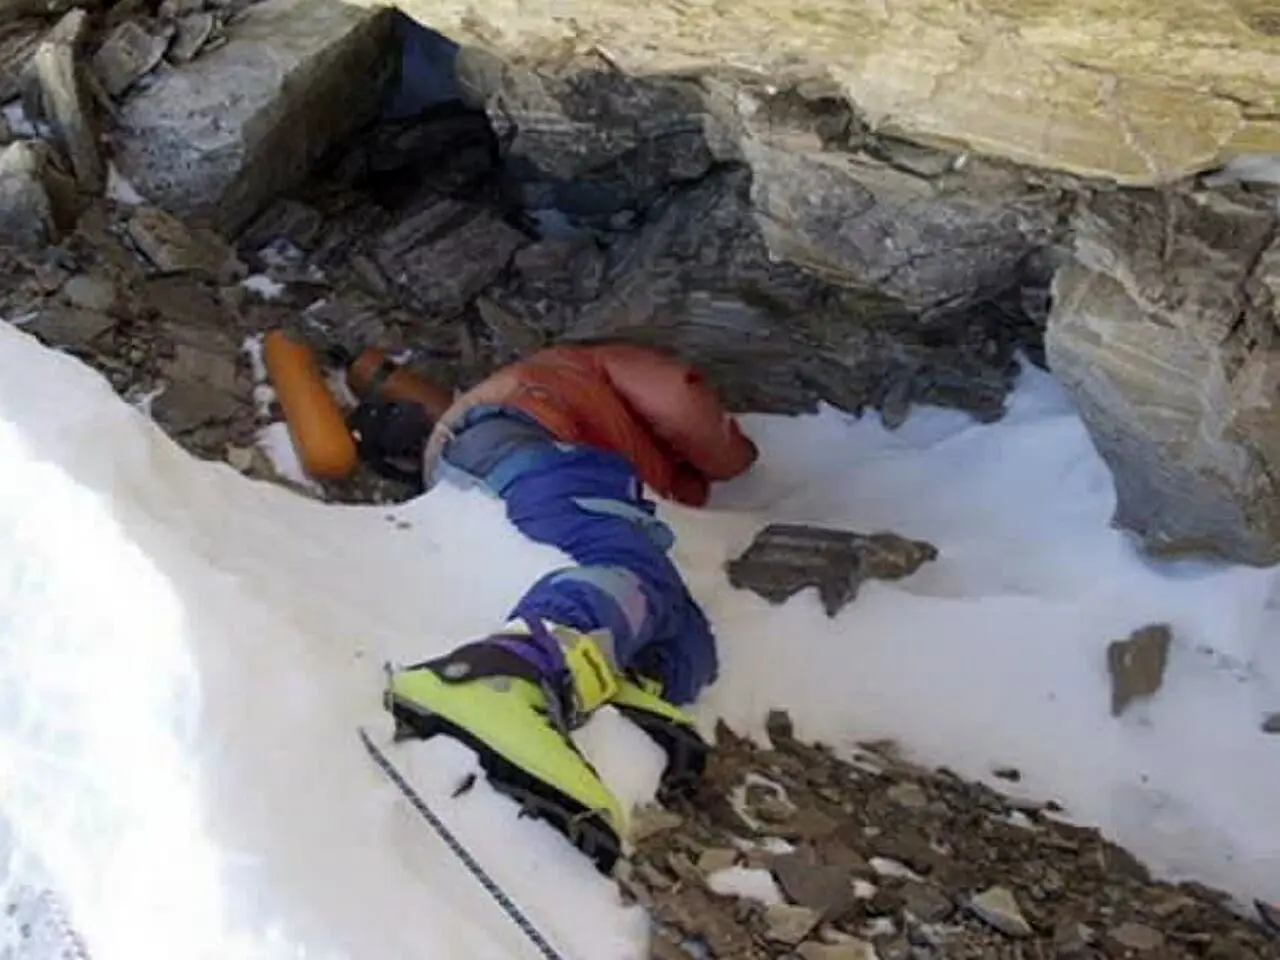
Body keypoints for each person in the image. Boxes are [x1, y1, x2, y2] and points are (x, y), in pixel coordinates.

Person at [373, 342, 758, 873]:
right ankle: (504, 673)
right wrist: (735, 452)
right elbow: (678, 396)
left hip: (489, 462)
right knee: (634, 574)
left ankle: (613, 687)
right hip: (520, 446)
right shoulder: (584, 362)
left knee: (685, 635)